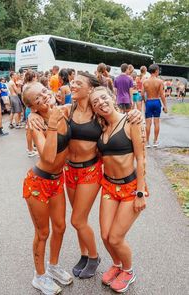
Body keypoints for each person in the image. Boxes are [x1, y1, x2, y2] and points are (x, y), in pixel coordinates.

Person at [29, 73, 142, 280]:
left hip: (90, 171)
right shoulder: (67, 109)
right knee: (78, 218)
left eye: (78, 83)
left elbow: (118, 120)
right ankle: (84, 254)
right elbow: (46, 112)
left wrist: (136, 115)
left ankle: (94, 257)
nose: (73, 85)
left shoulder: (98, 112)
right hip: (69, 170)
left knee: (77, 219)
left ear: (90, 89)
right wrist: (32, 114)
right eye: (73, 82)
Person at [89, 86, 148, 293]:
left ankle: (129, 271)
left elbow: (141, 159)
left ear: (112, 97)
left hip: (130, 188)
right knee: (105, 235)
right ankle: (117, 265)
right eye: (95, 102)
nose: (101, 103)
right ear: (93, 109)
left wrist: (140, 193)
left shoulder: (131, 120)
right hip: (108, 186)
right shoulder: (101, 128)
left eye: (103, 98)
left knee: (115, 237)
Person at [22, 82, 73, 295]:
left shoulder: (64, 111)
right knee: (43, 233)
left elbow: (91, 102)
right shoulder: (36, 123)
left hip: (56, 181)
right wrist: (51, 124)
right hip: (38, 183)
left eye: (44, 91)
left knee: (60, 227)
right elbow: (48, 156)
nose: (44, 96)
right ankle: (39, 276)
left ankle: (53, 266)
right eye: (38, 99)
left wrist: (133, 117)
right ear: (33, 107)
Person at [142, 64, 167, 148]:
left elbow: (142, 94)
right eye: (158, 70)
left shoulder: (145, 81)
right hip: (156, 102)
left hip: (149, 101)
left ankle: (147, 142)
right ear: (156, 71)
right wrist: (165, 106)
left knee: (148, 123)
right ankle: (155, 141)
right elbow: (162, 95)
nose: (158, 72)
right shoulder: (160, 81)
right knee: (156, 122)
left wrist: (146, 102)